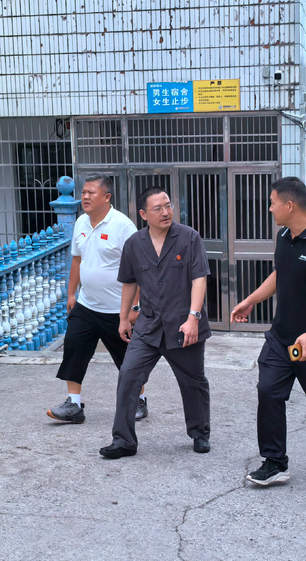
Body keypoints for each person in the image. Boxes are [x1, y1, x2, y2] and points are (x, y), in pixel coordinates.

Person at [232, 177, 306, 487]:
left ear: (290, 205)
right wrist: (250, 301)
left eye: (273, 203)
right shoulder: (284, 236)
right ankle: (274, 462)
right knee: (268, 391)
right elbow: (280, 274)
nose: (270, 209)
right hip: (281, 338)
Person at [99, 187, 211, 459]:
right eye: (158, 208)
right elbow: (129, 282)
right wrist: (124, 318)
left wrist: (193, 318)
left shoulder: (189, 238)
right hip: (148, 326)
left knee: (193, 381)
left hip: (183, 326)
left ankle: (199, 432)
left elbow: (199, 278)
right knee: (128, 376)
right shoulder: (135, 244)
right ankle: (124, 441)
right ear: (143, 214)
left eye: (168, 205)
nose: (165, 212)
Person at [47, 175, 147, 424]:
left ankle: (139, 400)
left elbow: (139, 269)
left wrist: (134, 307)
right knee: (74, 348)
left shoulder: (123, 226)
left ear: (107, 197)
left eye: (91, 193)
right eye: (83, 192)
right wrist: (72, 294)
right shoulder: (81, 222)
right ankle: (74, 404)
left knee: (128, 359)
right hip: (87, 304)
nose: (85, 197)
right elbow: (77, 260)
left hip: (117, 310)